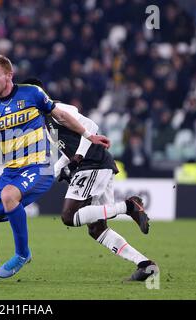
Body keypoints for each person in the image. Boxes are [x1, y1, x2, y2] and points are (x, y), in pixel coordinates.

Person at [0, 55, 110, 279]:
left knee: (8, 196)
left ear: (9, 75)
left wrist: (88, 135)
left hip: (39, 166)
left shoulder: (32, 93)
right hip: (11, 171)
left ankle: (22, 254)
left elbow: (60, 115)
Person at [22, 78, 159, 281]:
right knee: (96, 229)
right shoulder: (44, 121)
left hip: (93, 163)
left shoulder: (57, 108)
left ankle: (129, 206)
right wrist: (59, 169)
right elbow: (66, 148)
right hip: (97, 165)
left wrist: (78, 156)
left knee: (69, 216)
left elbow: (91, 126)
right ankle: (146, 265)